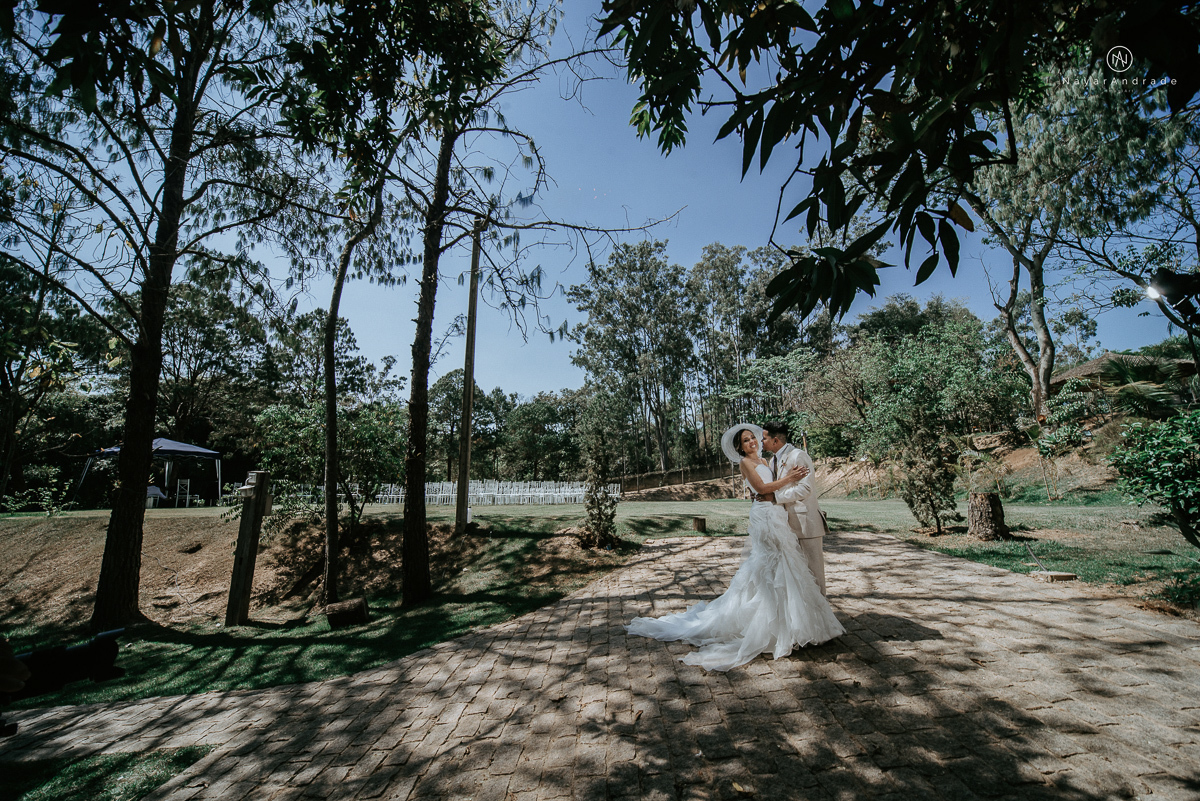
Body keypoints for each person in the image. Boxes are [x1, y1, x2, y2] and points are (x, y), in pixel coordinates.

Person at [625, 423, 844, 671]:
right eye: (747, 440)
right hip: (765, 518)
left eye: (755, 438)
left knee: (790, 568)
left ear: (768, 441)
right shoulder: (746, 464)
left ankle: (800, 623)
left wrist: (780, 486)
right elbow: (761, 489)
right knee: (772, 567)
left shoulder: (767, 461)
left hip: (779, 517)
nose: (753, 441)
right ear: (739, 447)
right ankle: (780, 626)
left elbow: (779, 489)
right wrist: (787, 480)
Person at [760, 421, 828, 595]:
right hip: (786, 525)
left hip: (805, 524)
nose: (762, 442)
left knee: (814, 573)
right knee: (797, 575)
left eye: (764, 438)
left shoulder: (797, 456)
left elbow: (806, 488)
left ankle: (822, 617)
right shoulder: (772, 460)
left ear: (775, 441)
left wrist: (776, 497)